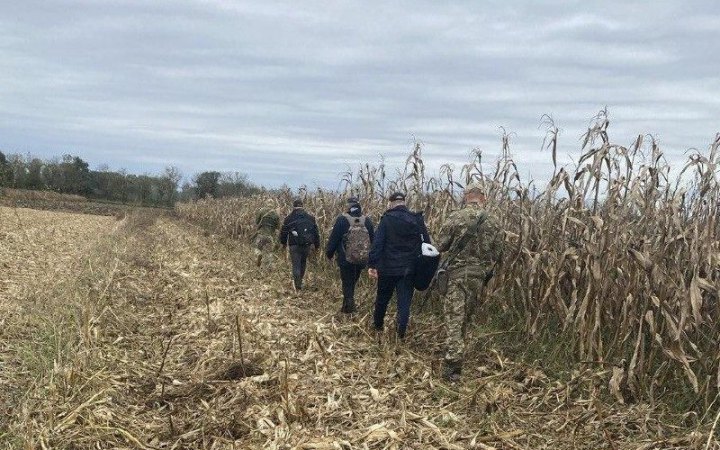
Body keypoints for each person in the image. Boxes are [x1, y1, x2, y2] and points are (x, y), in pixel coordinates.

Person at [436, 182, 504, 381]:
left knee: (454, 320)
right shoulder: (494, 221)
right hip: (478, 278)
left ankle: (453, 369)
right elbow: (498, 254)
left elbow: (440, 245)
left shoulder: (456, 217)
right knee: (465, 319)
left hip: (457, 276)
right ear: (483, 197)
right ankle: (458, 355)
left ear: (467, 197)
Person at [368, 192, 431, 340]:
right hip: (408, 270)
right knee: (404, 303)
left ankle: (378, 327)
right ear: (404, 202)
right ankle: (400, 333)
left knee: (382, 299)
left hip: (387, 269)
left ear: (390, 203)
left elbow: (378, 244)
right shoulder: (416, 219)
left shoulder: (387, 220)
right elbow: (427, 244)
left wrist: (372, 264)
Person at [326, 197, 375, 314]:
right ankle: (345, 308)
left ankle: (351, 310)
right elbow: (373, 240)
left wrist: (329, 253)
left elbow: (334, 238)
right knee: (352, 282)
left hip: (345, 259)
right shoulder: (367, 221)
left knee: (347, 283)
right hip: (362, 259)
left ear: (348, 206)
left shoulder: (342, 220)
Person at [280, 199, 320, 290]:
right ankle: (300, 281)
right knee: (303, 263)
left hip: (294, 245)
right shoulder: (310, 218)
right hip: (307, 245)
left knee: (296, 264)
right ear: (302, 206)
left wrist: (283, 243)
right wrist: (317, 245)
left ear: (294, 207)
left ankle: (297, 285)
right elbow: (316, 233)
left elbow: (284, 232)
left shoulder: (289, 218)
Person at [252, 200, 281, 268]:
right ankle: (268, 268)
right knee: (269, 252)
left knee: (257, 248)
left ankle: (259, 254)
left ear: (266, 204)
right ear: (273, 205)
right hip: (270, 236)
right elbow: (278, 227)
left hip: (261, 234)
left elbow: (257, 222)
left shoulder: (261, 210)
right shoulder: (276, 214)